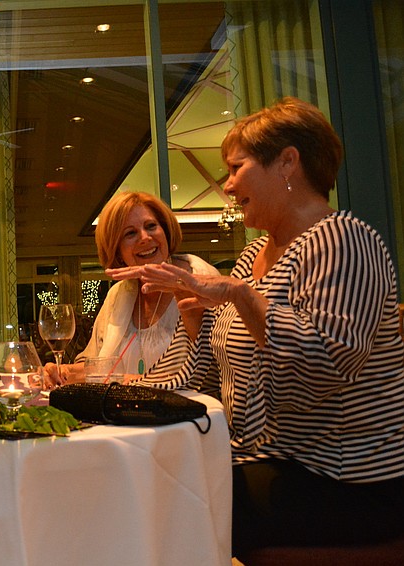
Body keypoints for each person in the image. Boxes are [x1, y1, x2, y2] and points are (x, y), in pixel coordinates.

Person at [138, 97, 404, 557]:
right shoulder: (252, 257)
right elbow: (202, 380)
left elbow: (324, 368)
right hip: (268, 462)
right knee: (158, 479)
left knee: (170, 502)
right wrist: (193, 321)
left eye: (236, 168)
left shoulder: (345, 240)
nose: (228, 185)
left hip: (346, 478)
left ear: (287, 162)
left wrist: (242, 296)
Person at [43, 191, 218, 385]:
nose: (144, 238)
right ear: (117, 251)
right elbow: (96, 364)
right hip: (123, 411)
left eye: (151, 226)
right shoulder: (118, 294)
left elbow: (210, 374)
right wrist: (62, 371)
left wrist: (122, 380)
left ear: (166, 231)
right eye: (130, 233)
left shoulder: (203, 282)